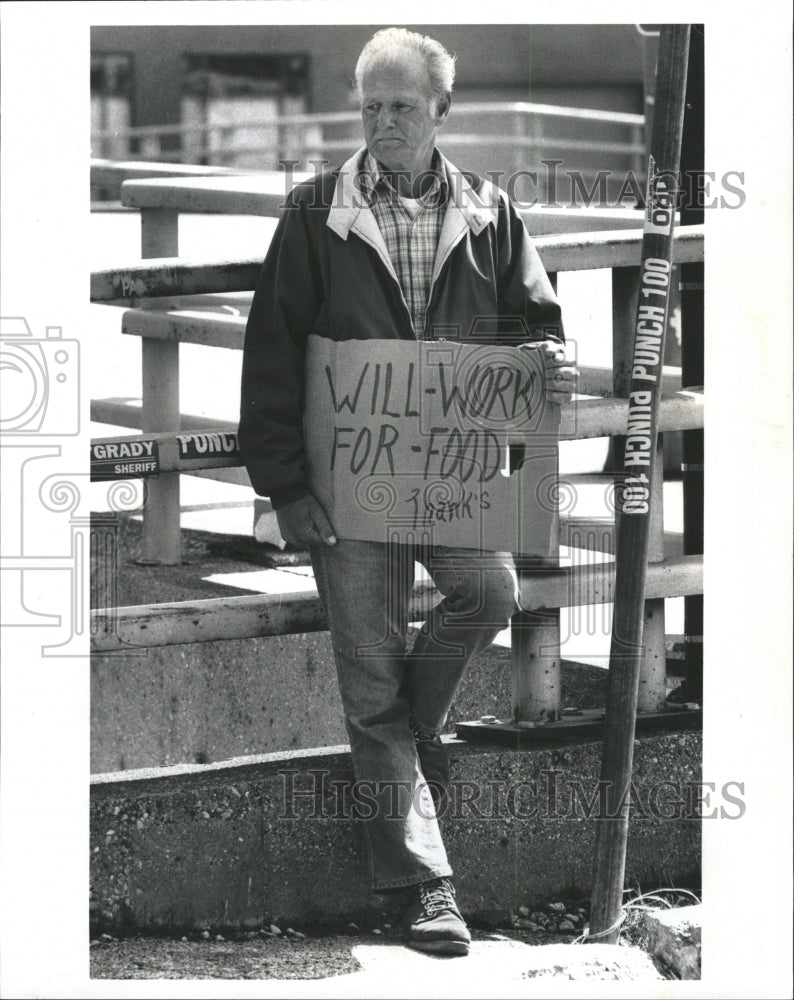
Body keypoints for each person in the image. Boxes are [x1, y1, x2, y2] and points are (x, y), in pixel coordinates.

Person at [239, 27, 576, 956]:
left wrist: (542, 352)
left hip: (452, 476)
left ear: (441, 111)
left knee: (488, 593)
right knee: (369, 677)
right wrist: (286, 490)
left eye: (403, 105)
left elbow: (536, 321)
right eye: (371, 106)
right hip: (347, 487)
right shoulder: (316, 212)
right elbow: (270, 354)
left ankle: (409, 739)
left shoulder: (493, 212)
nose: (385, 121)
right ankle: (428, 889)